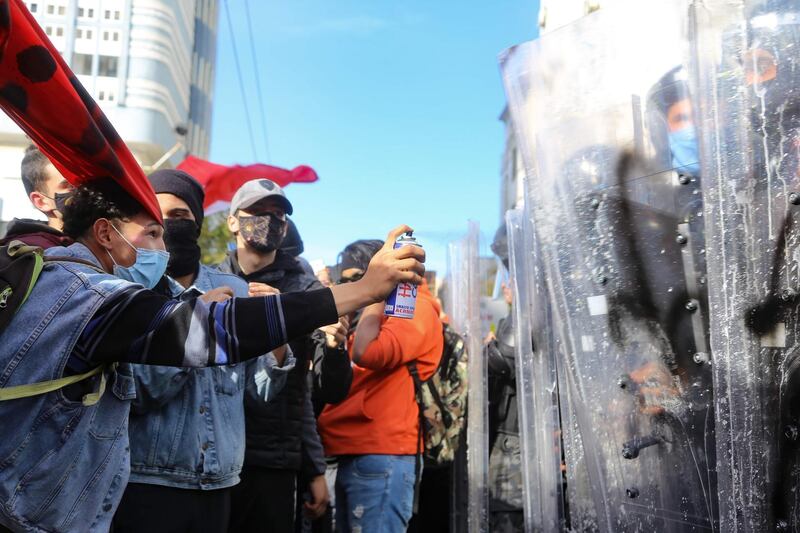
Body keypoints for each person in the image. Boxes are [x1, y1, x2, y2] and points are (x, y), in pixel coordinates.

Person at [0, 178, 424, 533]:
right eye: (153, 230)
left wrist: (276, 349)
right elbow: (217, 332)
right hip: (37, 511)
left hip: (209, 485)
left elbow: (261, 383)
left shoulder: (69, 280)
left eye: (171, 228)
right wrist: (363, 291)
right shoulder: (88, 295)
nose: (162, 247)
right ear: (106, 232)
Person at [113, 169, 286, 533]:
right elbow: (138, 394)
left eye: (180, 217)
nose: (168, 226)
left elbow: (260, 393)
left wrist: (279, 344)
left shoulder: (235, 290)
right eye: (157, 217)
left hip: (221, 484)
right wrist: (196, 328)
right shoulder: (131, 292)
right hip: (148, 483)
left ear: (197, 224)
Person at [220, 179, 352, 533]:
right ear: (233, 221)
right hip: (213, 455)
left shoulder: (305, 291)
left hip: (272, 462)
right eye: (258, 213)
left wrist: (335, 347)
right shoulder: (212, 281)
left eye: (278, 215)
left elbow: (323, 391)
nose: (270, 222)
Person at [318, 239, 444, 533]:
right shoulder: (379, 311)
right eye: (346, 281)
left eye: (358, 279)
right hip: (354, 450)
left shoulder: (413, 307)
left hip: (382, 454)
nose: (353, 289)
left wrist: (373, 296)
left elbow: (367, 352)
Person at [485, 224, 524, 533]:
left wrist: (485, 352)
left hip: (516, 438)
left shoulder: (531, 306)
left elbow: (505, 355)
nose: (508, 283)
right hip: (518, 435)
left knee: (507, 517)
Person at [0, 144, 74, 248]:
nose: (82, 190)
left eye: (81, 182)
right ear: (41, 201)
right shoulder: (31, 255)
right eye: (69, 185)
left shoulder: (97, 241)